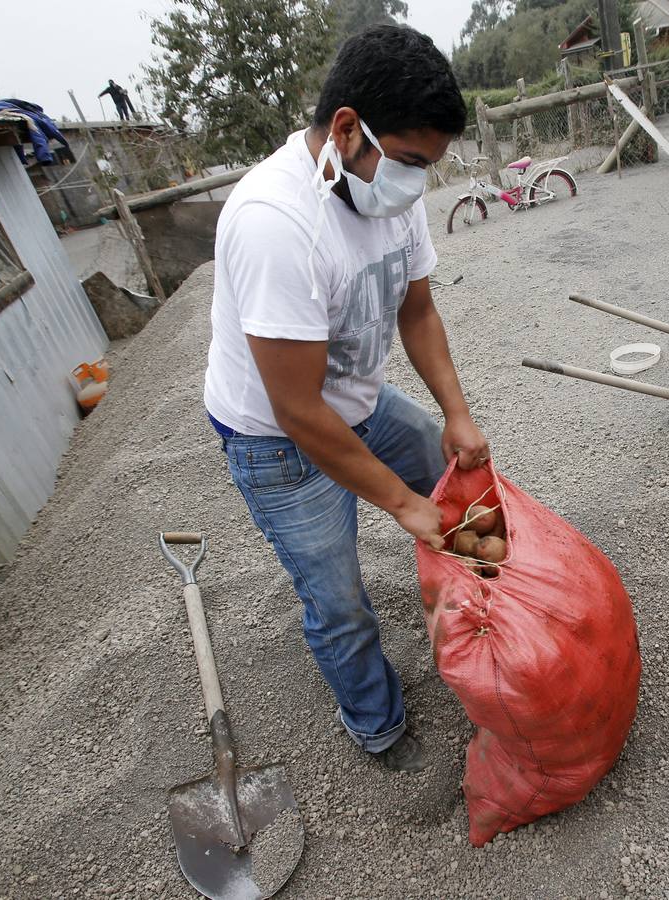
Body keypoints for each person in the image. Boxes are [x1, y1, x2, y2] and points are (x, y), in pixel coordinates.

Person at [203, 25, 487, 773]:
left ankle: (479, 619)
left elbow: (416, 310)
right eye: (413, 162)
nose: (418, 183)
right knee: (339, 599)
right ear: (345, 129)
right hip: (275, 437)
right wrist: (400, 504)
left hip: (354, 401)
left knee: (439, 463)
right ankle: (378, 725)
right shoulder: (274, 224)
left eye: (430, 166)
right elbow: (298, 412)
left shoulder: (387, 185)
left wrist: (457, 412)